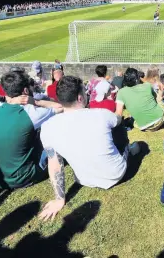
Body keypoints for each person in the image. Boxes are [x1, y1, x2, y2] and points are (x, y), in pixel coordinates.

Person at [38, 76, 143, 220]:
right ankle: (130, 150)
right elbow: (118, 119)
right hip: (116, 173)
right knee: (118, 127)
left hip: (83, 179)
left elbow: (55, 164)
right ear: (80, 98)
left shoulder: (47, 126)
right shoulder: (101, 114)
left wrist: (59, 199)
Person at [0, 72, 63, 190]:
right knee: (54, 137)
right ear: (26, 91)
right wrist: (36, 102)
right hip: (22, 178)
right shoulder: (30, 112)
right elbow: (61, 107)